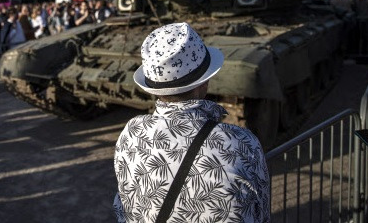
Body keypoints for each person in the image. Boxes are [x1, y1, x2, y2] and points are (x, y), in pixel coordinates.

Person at [113, 22, 270, 222]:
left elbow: (123, 208)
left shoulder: (131, 133)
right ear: (204, 81)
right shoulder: (241, 143)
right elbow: (262, 215)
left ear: (152, 87)